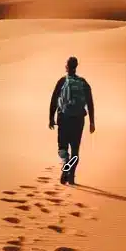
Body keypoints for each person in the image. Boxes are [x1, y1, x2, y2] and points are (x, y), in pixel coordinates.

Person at [48, 56, 95, 186]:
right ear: (76, 66)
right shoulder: (83, 82)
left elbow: (53, 100)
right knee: (75, 150)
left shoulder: (62, 81)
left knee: (62, 148)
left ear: (67, 67)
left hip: (63, 119)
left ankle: (65, 164)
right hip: (78, 120)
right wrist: (92, 121)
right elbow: (90, 102)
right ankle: (71, 177)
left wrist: (51, 118)